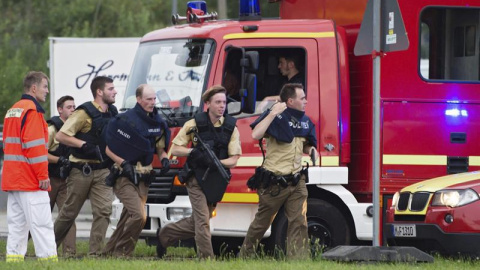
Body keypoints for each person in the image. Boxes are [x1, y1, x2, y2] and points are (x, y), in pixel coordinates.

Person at [157, 85, 242, 259]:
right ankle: (206, 259)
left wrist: (216, 162)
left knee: (199, 220)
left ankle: (165, 234)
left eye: (224, 102)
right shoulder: (194, 123)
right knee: (203, 220)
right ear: (207, 104)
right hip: (195, 178)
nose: (222, 106)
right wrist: (193, 152)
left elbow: (234, 160)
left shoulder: (231, 127)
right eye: (217, 102)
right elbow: (175, 148)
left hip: (215, 180)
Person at [239, 83, 318, 260]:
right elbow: (256, 134)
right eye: (302, 98)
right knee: (261, 223)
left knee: (299, 222)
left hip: (296, 180)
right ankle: (245, 257)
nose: (306, 101)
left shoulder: (303, 121)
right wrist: (273, 112)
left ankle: (298, 261)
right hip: (274, 182)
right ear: (290, 101)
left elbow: (304, 143)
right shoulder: (275, 118)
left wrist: (311, 149)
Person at [102, 84, 170, 257]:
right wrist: (123, 163)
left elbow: (160, 149)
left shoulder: (157, 122)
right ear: (138, 99)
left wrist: (165, 160)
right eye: (148, 99)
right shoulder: (125, 120)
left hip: (144, 176)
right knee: (139, 216)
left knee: (128, 216)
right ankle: (122, 253)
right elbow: (108, 149)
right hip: (124, 175)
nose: (152, 102)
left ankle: (108, 252)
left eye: (154, 99)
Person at [53, 76, 118, 256]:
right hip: (81, 170)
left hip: (103, 170)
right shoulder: (84, 113)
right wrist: (83, 145)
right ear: (99, 91)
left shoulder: (113, 112)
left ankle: (95, 255)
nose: (115, 92)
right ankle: (48, 250)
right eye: (111, 89)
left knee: (104, 212)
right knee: (68, 214)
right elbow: (61, 136)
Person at [2, 71, 58, 262]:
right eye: (45, 86)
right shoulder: (32, 112)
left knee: (17, 226)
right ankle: (49, 262)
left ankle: (14, 261)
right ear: (34, 88)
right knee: (42, 225)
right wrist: (43, 176)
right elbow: (35, 149)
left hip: (13, 179)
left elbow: (9, 146)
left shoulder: (13, 110)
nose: (47, 91)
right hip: (30, 180)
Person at [47, 95, 77, 256]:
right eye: (69, 107)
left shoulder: (75, 129)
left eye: (74, 107)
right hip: (49, 180)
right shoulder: (51, 129)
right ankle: (20, 247)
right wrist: (60, 159)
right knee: (41, 218)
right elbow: (41, 154)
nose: (73, 110)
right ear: (60, 109)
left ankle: (69, 254)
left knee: (68, 216)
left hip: (66, 181)